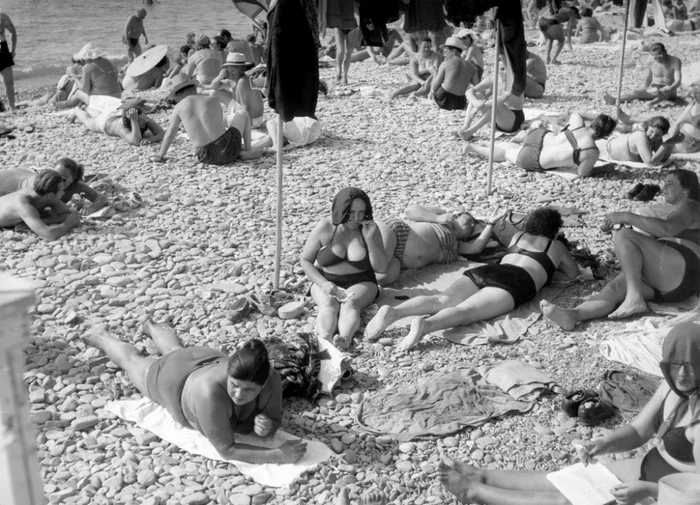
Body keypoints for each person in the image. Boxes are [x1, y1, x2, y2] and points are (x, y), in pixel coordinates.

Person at [440, 320, 700, 505]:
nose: (682, 374)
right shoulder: (671, 386)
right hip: (650, 470)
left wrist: (650, 491)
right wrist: (604, 443)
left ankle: (476, 493)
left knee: (568, 500)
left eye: (690, 365)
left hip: (673, 495)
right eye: (675, 364)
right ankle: (482, 476)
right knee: (574, 478)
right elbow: (639, 431)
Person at [82, 321, 307, 464]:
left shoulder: (272, 380)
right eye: (234, 384)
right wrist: (278, 455)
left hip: (204, 357)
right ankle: (100, 334)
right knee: (133, 361)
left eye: (248, 390)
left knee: (175, 350)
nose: (238, 394)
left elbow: (274, 420)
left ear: (264, 382)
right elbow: (227, 449)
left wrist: (267, 425)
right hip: (173, 380)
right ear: (229, 373)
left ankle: (149, 324)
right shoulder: (210, 394)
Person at [365, 207, 580, 351]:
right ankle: (425, 325)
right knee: (467, 311)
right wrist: (548, 273)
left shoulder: (518, 237)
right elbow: (573, 275)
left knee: (441, 299)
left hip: (490, 270)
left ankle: (394, 312)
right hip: (517, 282)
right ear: (554, 230)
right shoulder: (557, 246)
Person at [543, 169, 700, 328]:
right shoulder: (679, 210)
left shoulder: (690, 205)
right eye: (664, 182)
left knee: (625, 236)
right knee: (614, 288)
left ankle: (634, 296)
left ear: (686, 189)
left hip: (684, 267)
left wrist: (627, 216)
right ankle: (573, 315)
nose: (663, 187)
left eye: (670, 183)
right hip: (673, 281)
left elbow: (667, 229)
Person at [300, 187, 389, 350]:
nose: (356, 218)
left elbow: (381, 268)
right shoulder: (325, 227)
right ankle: (324, 340)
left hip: (362, 281)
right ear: (341, 209)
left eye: (361, 212)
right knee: (328, 303)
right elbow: (305, 260)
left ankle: (344, 339)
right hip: (326, 280)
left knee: (351, 303)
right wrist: (323, 283)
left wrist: (369, 240)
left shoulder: (369, 228)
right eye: (351, 212)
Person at [375, 205, 506, 286]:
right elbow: (409, 211)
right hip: (397, 234)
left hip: (398, 261)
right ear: (456, 215)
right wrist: (438, 218)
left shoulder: (457, 246)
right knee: (379, 265)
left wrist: (491, 224)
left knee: (385, 278)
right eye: (468, 219)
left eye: (472, 227)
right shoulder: (442, 217)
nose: (471, 225)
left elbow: (476, 247)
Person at [151, 74, 261, 165]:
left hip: (205, 156)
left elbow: (170, 133)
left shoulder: (178, 108)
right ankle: (247, 150)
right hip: (228, 150)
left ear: (178, 96)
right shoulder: (211, 99)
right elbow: (220, 126)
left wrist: (161, 154)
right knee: (243, 113)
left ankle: (240, 152)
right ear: (194, 88)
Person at [463, 113, 617, 177]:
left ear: (595, 122)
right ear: (605, 135)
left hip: (538, 136)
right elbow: (582, 173)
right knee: (506, 155)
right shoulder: (591, 151)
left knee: (516, 148)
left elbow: (576, 112)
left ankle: (485, 142)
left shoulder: (578, 123)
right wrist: (604, 168)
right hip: (537, 158)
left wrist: (592, 118)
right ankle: (472, 147)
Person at [0, 158, 108, 214]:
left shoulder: (75, 186)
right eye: (55, 173)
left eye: (64, 179)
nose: (57, 179)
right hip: (6, 182)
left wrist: (92, 208)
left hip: (19, 174)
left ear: (73, 179)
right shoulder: (43, 184)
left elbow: (101, 197)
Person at [0, 169, 81, 241]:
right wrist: (68, 224)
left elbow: (68, 214)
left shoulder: (41, 193)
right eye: (61, 191)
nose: (63, 193)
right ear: (50, 195)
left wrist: (45, 221)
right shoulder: (23, 205)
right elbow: (48, 235)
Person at [603, 43, 682, 106]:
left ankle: (651, 103)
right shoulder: (651, 61)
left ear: (665, 51)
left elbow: (678, 81)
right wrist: (645, 88)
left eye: (660, 56)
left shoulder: (674, 61)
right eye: (655, 58)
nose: (658, 59)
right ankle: (616, 100)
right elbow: (648, 77)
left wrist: (670, 88)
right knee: (635, 92)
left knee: (665, 92)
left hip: (670, 90)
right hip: (655, 89)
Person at [71, 97, 165, 147]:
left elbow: (162, 133)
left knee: (100, 114)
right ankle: (76, 110)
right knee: (88, 121)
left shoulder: (141, 116)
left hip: (115, 114)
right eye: (140, 121)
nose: (146, 121)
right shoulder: (122, 127)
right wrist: (134, 120)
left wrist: (150, 140)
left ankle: (86, 108)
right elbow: (136, 141)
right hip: (104, 122)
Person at [54, 43, 121, 113]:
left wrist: (75, 78)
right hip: (117, 97)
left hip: (103, 101)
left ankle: (66, 104)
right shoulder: (109, 62)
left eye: (83, 59)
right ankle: (79, 106)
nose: (83, 61)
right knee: (91, 89)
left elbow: (84, 90)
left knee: (78, 92)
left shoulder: (88, 67)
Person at [458, 73, 526, 141]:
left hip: (512, 120)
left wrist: (481, 105)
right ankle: (466, 126)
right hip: (494, 120)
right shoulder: (492, 78)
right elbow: (469, 91)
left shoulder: (515, 79)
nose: (505, 70)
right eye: (502, 67)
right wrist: (475, 101)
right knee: (476, 95)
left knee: (497, 104)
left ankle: (471, 131)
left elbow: (504, 97)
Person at [595, 116, 677, 166]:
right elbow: (650, 163)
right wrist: (666, 145)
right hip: (603, 149)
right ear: (648, 127)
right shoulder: (641, 136)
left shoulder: (657, 138)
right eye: (651, 131)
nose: (653, 136)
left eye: (658, 135)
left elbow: (663, 159)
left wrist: (671, 143)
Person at [430, 37, 478, 111]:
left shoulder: (445, 63)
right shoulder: (473, 68)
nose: (444, 55)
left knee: (435, 86)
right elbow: (477, 88)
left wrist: (434, 72)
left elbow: (434, 87)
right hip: (460, 103)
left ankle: (430, 102)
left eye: (446, 52)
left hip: (443, 99)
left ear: (454, 51)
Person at [538, 0, 580, 64]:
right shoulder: (571, 12)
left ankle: (547, 58)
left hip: (541, 22)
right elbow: (569, 27)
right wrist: (569, 42)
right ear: (574, 12)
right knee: (561, 40)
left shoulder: (562, 9)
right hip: (551, 22)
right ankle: (553, 60)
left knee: (549, 39)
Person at [327, 0, 358, 84]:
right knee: (344, 52)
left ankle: (342, 73)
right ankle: (341, 73)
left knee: (344, 52)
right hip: (346, 25)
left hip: (345, 25)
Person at [0, 10, 17, 112]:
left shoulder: (2, 17)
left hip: (3, 49)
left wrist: (13, 50)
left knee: (9, 81)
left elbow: (12, 31)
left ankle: (12, 107)